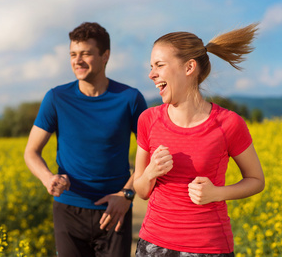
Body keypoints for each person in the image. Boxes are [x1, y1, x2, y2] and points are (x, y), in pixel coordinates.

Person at [133, 23, 265, 256]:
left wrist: (217, 193)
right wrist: (151, 172)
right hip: (153, 245)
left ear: (189, 67)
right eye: (151, 67)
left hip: (209, 247)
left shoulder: (228, 123)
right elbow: (141, 190)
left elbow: (256, 180)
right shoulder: (148, 119)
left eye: (159, 66)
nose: (151, 74)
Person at [24, 22, 147, 257]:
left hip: (116, 210)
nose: (77, 60)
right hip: (68, 210)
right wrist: (47, 178)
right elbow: (31, 151)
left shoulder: (130, 99)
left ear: (105, 56)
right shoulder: (56, 98)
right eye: (73, 54)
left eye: (86, 54)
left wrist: (127, 195)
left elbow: (150, 152)